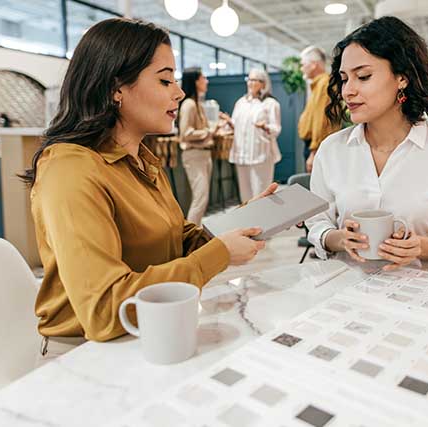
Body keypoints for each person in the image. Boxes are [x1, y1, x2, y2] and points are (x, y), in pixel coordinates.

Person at [21, 18, 273, 360]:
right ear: (116, 88)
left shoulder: (142, 160)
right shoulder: (70, 171)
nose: (179, 91)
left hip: (150, 332)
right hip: (87, 355)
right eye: (165, 79)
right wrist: (217, 255)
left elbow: (174, 242)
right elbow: (105, 311)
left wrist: (243, 221)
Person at [305, 16, 428, 275]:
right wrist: (339, 239)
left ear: (402, 77)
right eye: (344, 79)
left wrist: (418, 247)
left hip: (422, 298)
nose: (347, 91)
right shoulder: (332, 150)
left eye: (363, 76)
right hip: (347, 293)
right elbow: (318, 224)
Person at [223, 68, 282, 203]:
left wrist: (265, 127)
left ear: (263, 83)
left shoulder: (271, 104)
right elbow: (235, 125)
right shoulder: (241, 102)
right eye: (249, 79)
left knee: (261, 196)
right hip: (241, 155)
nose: (250, 83)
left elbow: (276, 129)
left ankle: (265, 224)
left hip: (261, 155)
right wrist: (229, 122)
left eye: (255, 80)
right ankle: (249, 224)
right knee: (245, 197)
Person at [177, 67, 223, 225]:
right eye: (203, 78)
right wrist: (209, 130)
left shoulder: (197, 103)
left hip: (203, 154)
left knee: (202, 199)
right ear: (195, 81)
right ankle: (191, 238)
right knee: (200, 198)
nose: (207, 81)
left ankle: (194, 235)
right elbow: (186, 133)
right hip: (194, 154)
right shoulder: (189, 104)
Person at [297, 46, 340, 173]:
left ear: (314, 64)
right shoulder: (318, 85)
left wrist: (314, 152)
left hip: (318, 146)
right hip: (315, 145)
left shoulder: (324, 84)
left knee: (317, 189)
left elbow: (321, 121)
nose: (301, 68)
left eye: (303, 64)